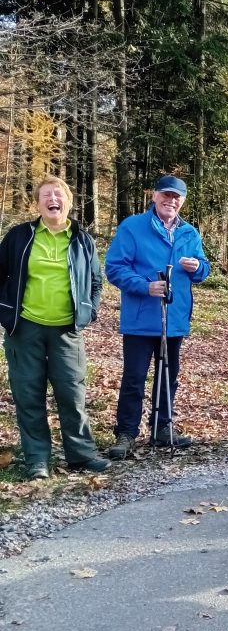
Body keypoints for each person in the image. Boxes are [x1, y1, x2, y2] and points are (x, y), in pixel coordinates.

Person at [0, 176, 109, 480]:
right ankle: (37, 460)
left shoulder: (82, 240)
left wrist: (90, 311)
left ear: (68, 202)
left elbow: (96, 282)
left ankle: (81, 455)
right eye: (46, 195)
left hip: (66, 332)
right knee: (28, 394)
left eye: (58, 194)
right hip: (24, 330)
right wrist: (4, 312)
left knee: (71, 393)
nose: (53, 199)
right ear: (37, 204)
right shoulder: (19, 237)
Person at [105, 175, 210, 459]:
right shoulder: (133, 227)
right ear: (154, 196)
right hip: (141, 319)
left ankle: (163, 427)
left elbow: (204, 269)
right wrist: (145, 286)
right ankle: (126, 433)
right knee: (134, 377)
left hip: (174, 319)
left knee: (169, 376)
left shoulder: (189, 233)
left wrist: (198, 266)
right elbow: (114, 267)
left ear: (182, 201)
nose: (171, 200)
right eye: (166, 194)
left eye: (176, 197)